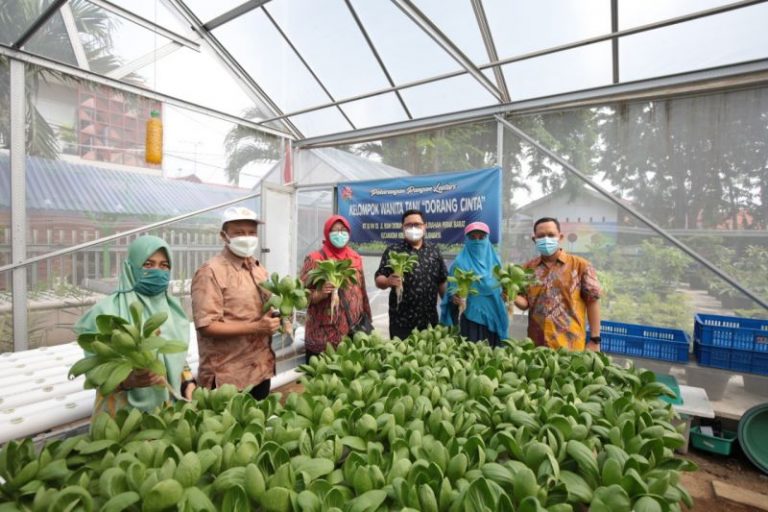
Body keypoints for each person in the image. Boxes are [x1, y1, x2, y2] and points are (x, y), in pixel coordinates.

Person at [74, 235, 195, 416]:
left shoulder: (172, 308)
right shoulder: (106, 312)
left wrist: (188, 382)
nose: (157, 271)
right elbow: (95, 373)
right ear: (131, 267)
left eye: (164, 266)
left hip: (167, 410)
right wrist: (128, 381)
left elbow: (176, 355)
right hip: (121, 416)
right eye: (148, 264)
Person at [191, 206, 280, 400]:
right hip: (228, 377)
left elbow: (264, 307)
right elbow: (207, 326)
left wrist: (278, 318)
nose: (247, 237)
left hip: (260, 369)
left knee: (259, 417)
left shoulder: (258, 268)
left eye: (251, 232)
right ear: (224, 236)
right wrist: (257, 327)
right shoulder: (210, 272)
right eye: (239, 232)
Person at [514, 217, 601, 351]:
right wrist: (510, 293)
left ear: (560, 237)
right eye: (541, 236)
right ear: (534, 239)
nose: (546, 239)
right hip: (537, 345)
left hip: (570, 345)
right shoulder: (527, 269)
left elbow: (592, 302)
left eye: (551, 235)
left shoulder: (580, 266)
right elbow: (525, 304)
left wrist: (595, 340)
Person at [299, 215, 372, 362]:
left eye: (343, 230)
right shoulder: (314, 259)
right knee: (321, 374)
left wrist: (368, 319)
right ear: (327, 232)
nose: (340, 234)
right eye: (335, 230)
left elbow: (362, 291)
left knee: (349, 371)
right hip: (323, 337)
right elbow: (300, 296)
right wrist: (319, 294)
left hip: (353, 331)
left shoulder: (355, 258)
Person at [374, 209, 448, 339]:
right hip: (402, 322)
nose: (413, 228)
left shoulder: (434, 251)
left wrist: (448, 304)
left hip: (429, 321)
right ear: (402, 228)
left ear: (425, 226)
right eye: (409, 225)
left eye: (417, 224)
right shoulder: (393, 251)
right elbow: (379, 278)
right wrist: (387, 281)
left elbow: (442, 281)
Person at [440, 222, 509, 346]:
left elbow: (503, 288)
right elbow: (451, 292)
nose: (477, 241)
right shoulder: (459, 263)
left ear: (487, 239)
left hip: (495, 317)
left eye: (481, 237)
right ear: (466, 240)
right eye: (472, 237)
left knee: (495, 355)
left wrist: (506, 293)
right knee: (473, 353)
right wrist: (454, 298)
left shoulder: (496, 262)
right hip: (470, 319)